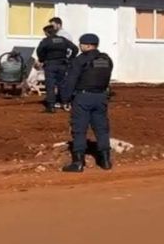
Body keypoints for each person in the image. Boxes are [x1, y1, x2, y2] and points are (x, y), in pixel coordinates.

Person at [60, 33, 114, 172]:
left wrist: (65, 99)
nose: (80, 45)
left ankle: (78, 162)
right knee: (102, 129)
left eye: (81, 43)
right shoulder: (106, 59)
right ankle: (106, 161)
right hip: (101, 97)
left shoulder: (80, 60)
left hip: (83, 98)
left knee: (79, 129)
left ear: (88, 45)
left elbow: (71, 80)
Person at [36, 24, 78, 113]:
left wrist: (42, 59)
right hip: (62, 64)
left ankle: (51, 105)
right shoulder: (63, 40)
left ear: (47, 33)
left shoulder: (46, 41)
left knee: (50, 85)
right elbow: (75, 49)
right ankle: (65, 103)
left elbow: (39, 51)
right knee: (62, 84)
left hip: (50, 64)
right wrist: (69, 59)